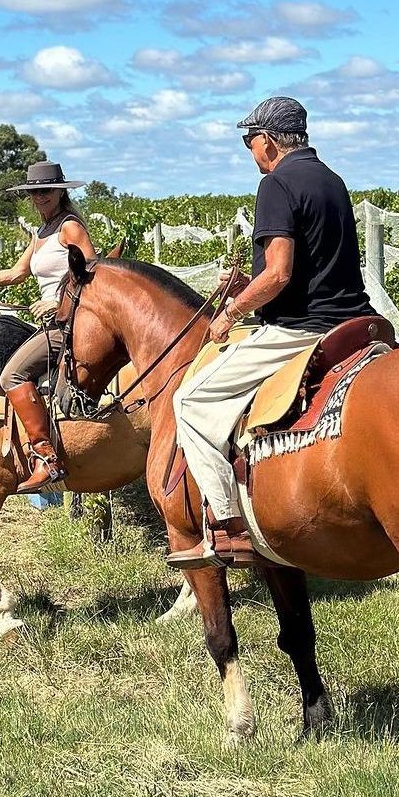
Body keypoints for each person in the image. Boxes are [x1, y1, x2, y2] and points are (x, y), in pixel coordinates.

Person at [166, 96, 376, 571]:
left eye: (249, 140)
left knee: (191, 402)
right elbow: (312, 268)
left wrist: (232, 310)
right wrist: (250, 283)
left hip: (302, 330)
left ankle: (226, 526)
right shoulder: (332, 181)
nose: (249, 150)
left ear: (269, 139)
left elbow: (279, 274)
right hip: (355, 323)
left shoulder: (276, 184)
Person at [0, 161, 96, 492]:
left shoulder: (70, 228)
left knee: (11, 375)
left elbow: (94, 272)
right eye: (34, 192)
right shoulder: (42, 233)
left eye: (45, 191)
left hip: (68, 322)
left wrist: (59, 303)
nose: (39, 197)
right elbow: (16, 274)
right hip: (48, 322)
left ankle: (47, 460)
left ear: (60, 192)